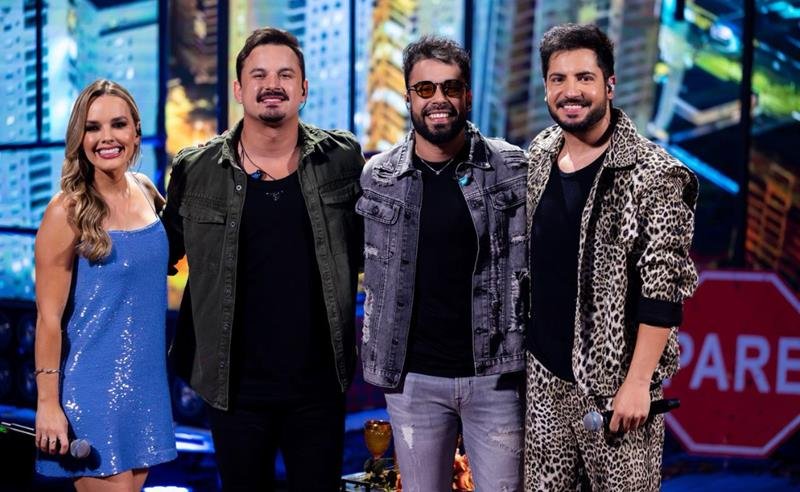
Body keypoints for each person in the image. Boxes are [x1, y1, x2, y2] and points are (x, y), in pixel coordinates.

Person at [163, 27, 364, 491]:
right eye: (259, 75)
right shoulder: (196, 169)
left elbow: (378, 247)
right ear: (238, 89)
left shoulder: (342, 159)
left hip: (319, 386)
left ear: (303, 89)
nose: (272, 84)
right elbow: (158, 253)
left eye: (285, 75)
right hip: (233, 390)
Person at [523, 23, 698, 490]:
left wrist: (638, 382)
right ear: (546, 88)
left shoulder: (655, 175)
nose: (571, 91)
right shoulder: (539, 154)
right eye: (558, 79)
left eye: (584, 77)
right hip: (544, 385)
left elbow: (663, 290)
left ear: (610, 85)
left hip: (616, 391)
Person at [358, 35, 527, 492]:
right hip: (414, 381)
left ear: (467, 95)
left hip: (496, 377)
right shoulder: (379, 176)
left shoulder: (512, 168)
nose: (439, 99)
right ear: (408, 97)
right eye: (425, 88)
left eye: (451, 88)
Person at [34, 79, 177, 489]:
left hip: (145, 388)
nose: (106, 137)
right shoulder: (65, 212)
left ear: (136, 132)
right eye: (93, 127)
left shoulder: (146, 191)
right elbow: (48, 319)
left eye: (118, 124)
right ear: (79, 139)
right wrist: (48, 404)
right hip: (91, 391)